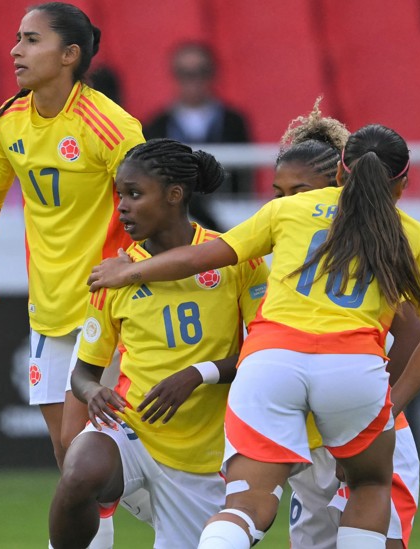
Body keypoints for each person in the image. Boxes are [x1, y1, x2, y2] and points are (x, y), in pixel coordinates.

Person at [88, 123, 420, 549]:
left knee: (248, 503)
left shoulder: (286, 214)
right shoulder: (405, 231)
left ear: (339, 172)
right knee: (369, 488)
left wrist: (129, 270)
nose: (286, 197)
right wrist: (389, 404)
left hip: (272, 363)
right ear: (404, 181)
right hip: (352, 371)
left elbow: (203, 255)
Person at [48, 139, 269, 548]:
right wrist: (94, 390)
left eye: (134, 194)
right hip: (130, 431)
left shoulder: (236, 261)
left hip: (201, 458)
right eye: (120, 195)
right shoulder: (114, 274)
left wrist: (197, 375)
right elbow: (83, 372)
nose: (122, 207)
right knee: (79, 473)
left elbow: (268, 353)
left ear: (174, 195)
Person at [0, 0, 143, 481]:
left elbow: (155, 207)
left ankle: (183, 516)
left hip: (107, 305)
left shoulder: (112, 128)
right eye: (18, 38)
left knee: (79, 447)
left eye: (32, 39)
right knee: (67, 461)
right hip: (49, 308)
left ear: (69, 55)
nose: (15, 50)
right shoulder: (7, 124)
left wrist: (135, 268)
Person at [274, 101, 420, 549]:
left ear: (340, 185)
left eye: (300, 192)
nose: (288, 205)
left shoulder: (371, 249)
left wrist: (376, 419)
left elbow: (415, 334)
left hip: (366, 430)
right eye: (278, 194)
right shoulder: (280, 250)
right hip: (309, 441)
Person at [146, 42, 252, 229]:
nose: (194, 81)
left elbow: (244, 177)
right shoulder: (156, 125)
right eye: (185, 74)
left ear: (213, 74)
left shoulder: (234, 121)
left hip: (227, 216)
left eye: (201, 72)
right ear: (175, 76)